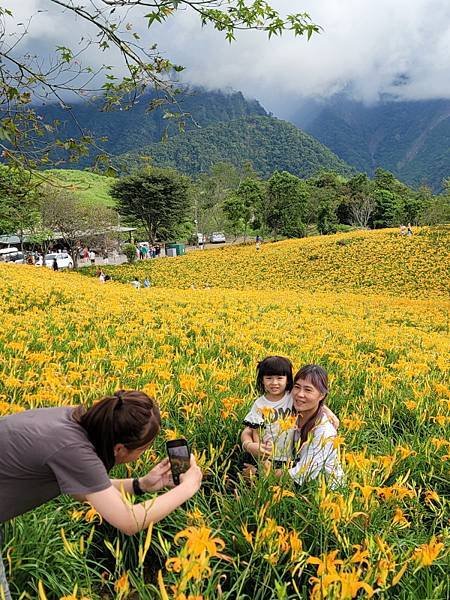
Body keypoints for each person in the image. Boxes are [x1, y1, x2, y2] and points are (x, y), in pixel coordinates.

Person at [0, 390, 202, 600]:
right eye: (143, 448)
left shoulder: (74, 420)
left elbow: (84, 491)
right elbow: (129, 521)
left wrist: (142, 484)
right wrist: (187, 488)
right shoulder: (75, 450)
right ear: (120, 448)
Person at [287, 364, 344, 488]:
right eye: (297, 387)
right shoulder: (290, 411)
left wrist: (260, 473)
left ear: (322, 395)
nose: (300, 394)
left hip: (323, 492)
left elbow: (303, 473)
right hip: (296, 483)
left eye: (308, 390)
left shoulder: (325, 431)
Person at [241, 356, 295, 469]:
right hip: (267, 456)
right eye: (269, 378)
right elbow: (255, 430)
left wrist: (327, 412)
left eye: (280, 378)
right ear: (262, 380)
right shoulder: (259, 404)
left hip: (290, 456)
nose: (274, 383)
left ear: (288, 380)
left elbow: (312, 401)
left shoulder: (292, 397)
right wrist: (261, 456)